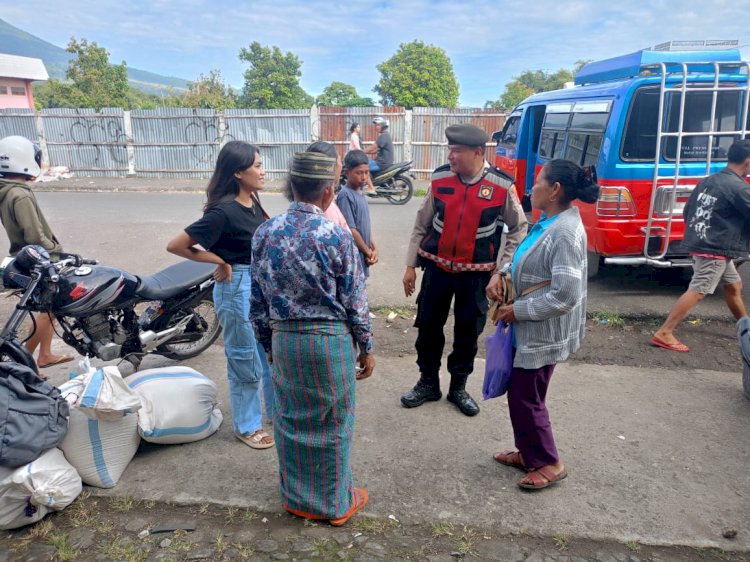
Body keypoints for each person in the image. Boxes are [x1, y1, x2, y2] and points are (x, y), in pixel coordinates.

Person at [251, 151, 374, 526]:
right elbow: (355, 300)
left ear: (291, 188)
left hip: (285, 341)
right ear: (327, 190)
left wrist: (268, 345)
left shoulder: (265, 232)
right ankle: (335, 504)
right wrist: (366, 346)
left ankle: (297, 498)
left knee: (289, 418)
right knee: (333, 420)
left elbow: (256, 301)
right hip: (327, 342)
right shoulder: (335, 234)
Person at [401, 124, 528, 416]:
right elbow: (421, 223)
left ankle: (458, 386)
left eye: (457, 150)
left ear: (478, 152)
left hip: (477, 277)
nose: (451, 155)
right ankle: (428, 383)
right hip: (436, 270)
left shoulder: (500, 184)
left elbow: (519, 229)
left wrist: (501, 272)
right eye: (450, 149)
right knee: (429, 328)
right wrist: (410, 265)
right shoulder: (441, 178)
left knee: (468, 332)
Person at [488, 159, 598, 490]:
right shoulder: (550, 221)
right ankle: (529, 452)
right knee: (523, 395)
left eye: (538, 182)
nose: (530, 188)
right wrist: (503, 275)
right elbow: (526, 259)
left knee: (526, 398)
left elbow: (565, 294)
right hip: (530, 329)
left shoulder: (565, 232)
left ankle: (549, 462)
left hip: (540, 332)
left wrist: (518, 310)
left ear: (555, 190)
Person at [167, 140, 274, 450]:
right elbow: (176, 245)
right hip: (236, 287)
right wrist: (219, 260)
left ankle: (274, 413)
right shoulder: (223, 211)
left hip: (257, 285)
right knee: (244, 359)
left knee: (265, 355)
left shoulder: (253, 199)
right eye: (257, 165)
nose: (263, 170)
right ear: (238, 172)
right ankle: (247, 425)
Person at [653, 139, 750, 352]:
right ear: (748, 162)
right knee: (698, 290)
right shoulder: (739, 188)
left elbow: (688, 210)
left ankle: (746, 328)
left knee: (734, 286)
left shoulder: (709, 180)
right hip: (715, 248)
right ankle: (665, 332)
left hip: (704, 243)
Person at [0, 135, 74, 371]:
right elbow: (34, 236)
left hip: (25, 257)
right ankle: (29, 364)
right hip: (38, 260)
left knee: (48, 310)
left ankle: (45, 355)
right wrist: (59, 252)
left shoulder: (8, 190)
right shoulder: (19, 195)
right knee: (48, 309)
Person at [285, 141, 351, 233]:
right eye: (340, 163)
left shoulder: (265, 230)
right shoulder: (337, 235)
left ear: (292, 184)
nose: (341, 167)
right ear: (328, 191)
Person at [337, 150, 378, 277]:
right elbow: (351, 229)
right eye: (359, 173)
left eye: (366, 172)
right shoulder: (345, 195)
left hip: (363, 254)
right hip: (354, 256)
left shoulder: (360, 193)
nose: (364, 177)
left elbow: (365, 226)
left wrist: (374, 248)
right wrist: (367, 251)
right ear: (347, 173)